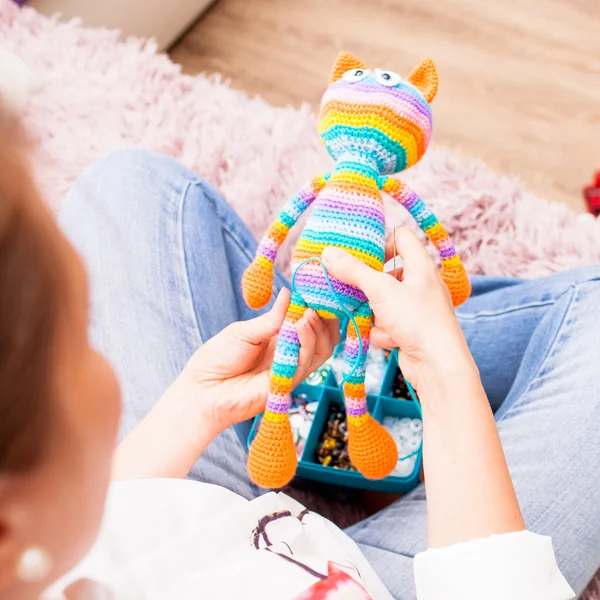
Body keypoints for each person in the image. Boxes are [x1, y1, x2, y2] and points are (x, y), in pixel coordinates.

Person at [0, 118, 597, 599]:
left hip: (203, 525)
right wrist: (442, 371)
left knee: (127, 184)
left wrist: (191, 409)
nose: (103, 356)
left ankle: (354, 316)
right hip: (391, 582)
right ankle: (413, 328)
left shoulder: (42, 556)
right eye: (79, 341)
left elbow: (113, 526)